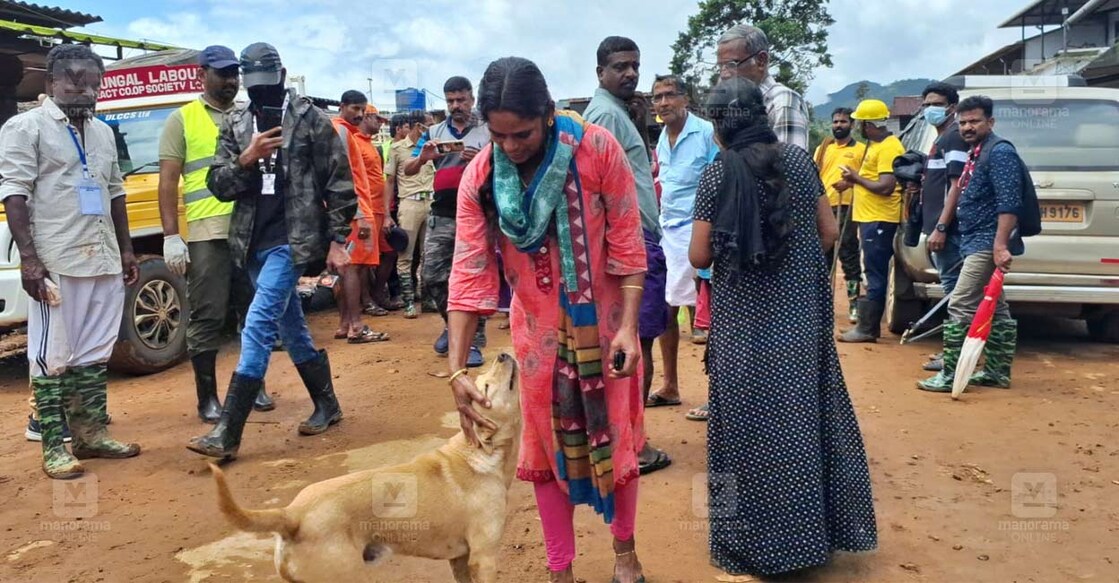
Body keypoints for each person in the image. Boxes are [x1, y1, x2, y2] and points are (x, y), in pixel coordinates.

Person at [447, 57, 648, 583]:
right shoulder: (483, 174)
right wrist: (455, 370)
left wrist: (629, 327)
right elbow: (469, 273)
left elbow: (628, 245)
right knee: (544, 450)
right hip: (534, 337)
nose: (511, 146)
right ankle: (561, 569)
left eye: (523, 134)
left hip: (606, 329)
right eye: (499, 134)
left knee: (617, 439)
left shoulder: (596, 149)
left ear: (547, 113)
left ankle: (625, 553)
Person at [688, 76, 877, 578]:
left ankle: (747, 547)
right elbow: (830, 230)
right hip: (799, 324)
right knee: (803, 424)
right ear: (762, 117)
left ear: (719, 128)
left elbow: (699, 254)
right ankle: (813, 542)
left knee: (744, 433)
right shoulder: (797, 161)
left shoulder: (715, 176)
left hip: (742, 330)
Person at [187, 42, 356, 459]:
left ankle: (228, 430)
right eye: (255, 86)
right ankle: (327, 403)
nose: (263, 92)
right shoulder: (238, 124)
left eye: (269, 83)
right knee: (291, 326)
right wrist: (247, 158)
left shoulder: (312, 120)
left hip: (292, 241)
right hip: (251, 243)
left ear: (282, 75)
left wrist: (338, 240)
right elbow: (218, 185)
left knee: (258, 324)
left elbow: (339, 183)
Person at [0, 44, 142, 479]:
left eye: (92, 80)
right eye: (73, 78)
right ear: (51, 83)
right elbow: (15, 192)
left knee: (95, 351)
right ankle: (53, 448)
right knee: (51, 354)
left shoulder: (102, 132)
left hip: (101, 256)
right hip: (56, 258)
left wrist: (126, 249)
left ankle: (91, 435)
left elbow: (115, 192)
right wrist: (29, 260)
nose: (83, 86)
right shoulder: (26, 127)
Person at [158, 45, 275, 423]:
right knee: (207, 315)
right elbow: (168, 181)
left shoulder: (249, 116)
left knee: (252, 311)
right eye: (222, 73)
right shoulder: (183, 119)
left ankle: (252, 385)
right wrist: (171, 236)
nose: (230, 80)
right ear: (201, 75)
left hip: (249, 227)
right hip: (207, 232)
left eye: (234, 74)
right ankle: (206, 397)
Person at [582, 36, 672, 477]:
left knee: (638, 340)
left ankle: (626, 439)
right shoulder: (604, 116)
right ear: (600, 72)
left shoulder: (616, 114)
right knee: (637, 343)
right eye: (620, 66)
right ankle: (633, 446)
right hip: (631, 244)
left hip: (637, 240)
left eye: (635, 65)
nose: (631, 74)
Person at [918, 95, 1023, 393]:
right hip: (973, 240)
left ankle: (950, 374)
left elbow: (1009, 204)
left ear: (990, 122)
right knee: (997, 307)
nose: (967, 127)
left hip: (986, 243)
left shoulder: (999, 153)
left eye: (974, 121)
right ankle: (996, 371)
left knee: (961, 302)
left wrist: (1000, 245)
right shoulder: (977, 151)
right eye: (963, 122)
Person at [647, 74, 719, 412]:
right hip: (668, 232)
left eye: (669, 96)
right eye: (657, 97)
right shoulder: (662, 137)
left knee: (708, 315)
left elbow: (720, 179)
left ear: (684, 98)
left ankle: (716, 395)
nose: (663, 103)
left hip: (700, 231)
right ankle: (670, 385)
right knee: (666, 310)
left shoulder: (705, 132)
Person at [408, 76, 490, 367]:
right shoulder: (434, 131)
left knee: (473, 277)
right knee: (431, 276)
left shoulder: (487, 129)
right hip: (442, 212)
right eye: (451, 101)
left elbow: (507, 163)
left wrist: (483, 158)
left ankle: (473, 342)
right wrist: (423, 158)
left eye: (461, 100)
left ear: (472, 99)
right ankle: (452, 326)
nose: (456, 106)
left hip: (478, 213)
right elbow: (407, 167)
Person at [836, 99, 905, 343]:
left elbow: (886, 186)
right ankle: (867, 326)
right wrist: (852, 182)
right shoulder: (876, 145)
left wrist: (856, 178)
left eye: (861, 123)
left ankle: (867, 329)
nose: (858, 128)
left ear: (868, 124)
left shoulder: (888, 147)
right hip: (869, 218)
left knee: (875, 274)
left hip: (879, 219)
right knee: (871, 271)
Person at [914, 82, 969, 372]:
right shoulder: (940, 140)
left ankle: (955, 354)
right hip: (941, 228)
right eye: (925, 105)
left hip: (950, 232)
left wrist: (942, 227)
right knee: (956, 289)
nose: (928, 110)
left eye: (934, 104)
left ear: (951, 107)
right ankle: (958, 352)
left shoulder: (953, 139)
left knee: (954, 291)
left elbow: (956, 185)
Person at [331, 90, 389, 344]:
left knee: (348, 267)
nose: (359, 114)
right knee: (353, 267)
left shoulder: (348, 133)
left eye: (362, 110)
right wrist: (356, 213)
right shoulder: (341, 132)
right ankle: (356, 325)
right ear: (342, 106)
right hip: (354, 212)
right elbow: (340, 175)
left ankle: (345, 324)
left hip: (353, 209)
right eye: (355, 108)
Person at [716, 22, 809, 149]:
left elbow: (791, 164)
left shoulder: (782, 101)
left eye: (732, 64)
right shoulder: (734, 104)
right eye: (720, 66)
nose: (724, 74)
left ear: (761, 60)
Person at [814, 107, 867, 324]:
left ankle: (854, 302)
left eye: (843, 122)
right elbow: (814, 173)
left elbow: (864, 177)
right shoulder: (823, 148)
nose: (838, 125)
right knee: (822, 255)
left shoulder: (861, 150)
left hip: (847, 207)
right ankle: (821, 304)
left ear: (852, 125)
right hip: (823, 206)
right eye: (835, 122)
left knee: (848, 254)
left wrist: (849, 182)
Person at [383, 109, 433, 319]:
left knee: (428, 254)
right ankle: (409, 301)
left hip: (431, 200)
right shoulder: (397, 149)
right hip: (409, 203)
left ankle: (428, 297)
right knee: (406, 254)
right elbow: (390, 181)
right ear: (416, 126)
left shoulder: (432, 147)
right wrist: (386, 214)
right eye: (427, 125)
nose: (430, 129)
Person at [356, 103, 391, 315]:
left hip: (378, 209)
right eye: (377, 119)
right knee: (362, 260)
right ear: (366, 117)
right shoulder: (355, 143)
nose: (380, 124)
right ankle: (367, 301)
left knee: (389, 252)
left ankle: (377, 294)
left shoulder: (371, 144)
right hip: (365, 210)